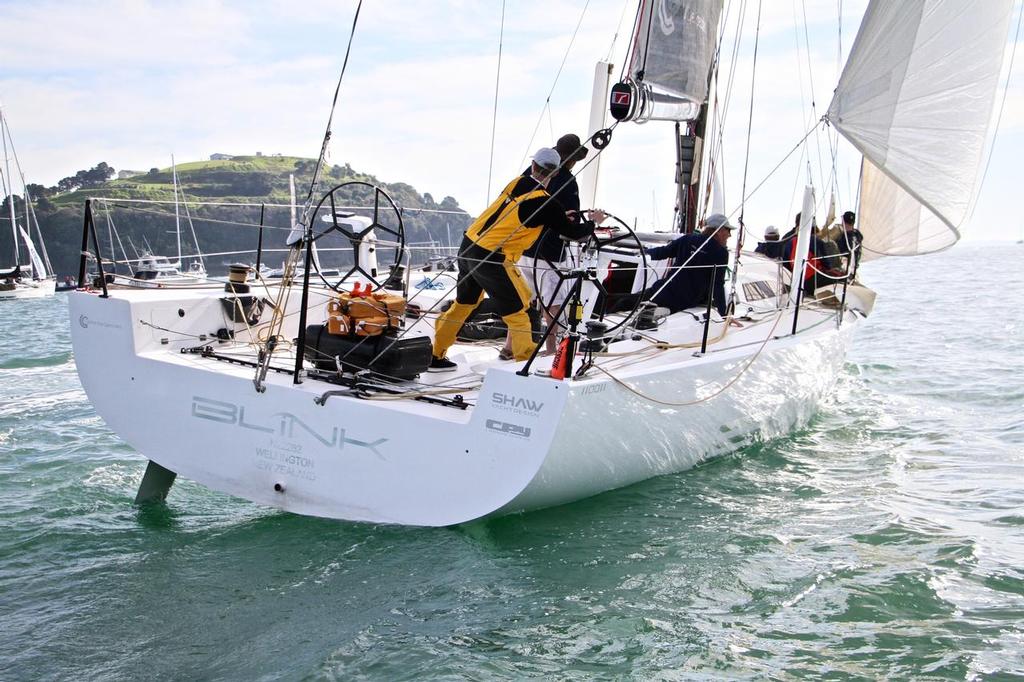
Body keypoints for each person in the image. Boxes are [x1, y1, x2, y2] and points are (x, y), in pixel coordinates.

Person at [429, 148, 602, 371]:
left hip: (468, 247)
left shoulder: (516, 183)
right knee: (520, 311)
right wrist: (593, 222)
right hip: (493, 258)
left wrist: (558, 218)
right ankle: (524, 367)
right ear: (555, 174)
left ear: (533, 167)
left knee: (463, 306)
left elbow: (522, 213)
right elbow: (575, 233)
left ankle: (436, 355)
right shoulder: (547, 204)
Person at [514, 133, 589, 355]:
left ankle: (509, 347)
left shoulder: (530, 173)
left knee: (522, 299)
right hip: (549, 252)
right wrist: (590, 226)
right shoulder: (568, 181)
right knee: (553, 301)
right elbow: (571, 220)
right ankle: (551, 348)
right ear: (573, 160)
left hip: (523, 247)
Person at [609, 213, 735, 316]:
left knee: (624, 302)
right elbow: (717, 285)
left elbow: (662, 252)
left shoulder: (687, 239)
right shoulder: (721, 253)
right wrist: (724, 314)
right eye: (728, 230)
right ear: (718, 230)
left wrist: (642, 253)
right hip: (687, 301)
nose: (729, 235)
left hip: (665, 291)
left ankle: (602, 320)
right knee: (631, 302)